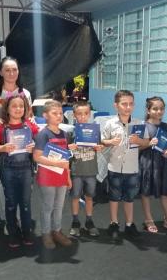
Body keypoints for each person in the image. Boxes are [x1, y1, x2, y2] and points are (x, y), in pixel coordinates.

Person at [0, 56, 33, 226]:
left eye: (15, 69)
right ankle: (8, 220)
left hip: (20, 146)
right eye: (7, 70)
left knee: (21, 185)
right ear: (0, 72)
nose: (11, 73)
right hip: (0, 145)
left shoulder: (25, 93)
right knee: (1, 181)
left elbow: (29, 116)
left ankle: (18, 218)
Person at [101, 90, 148, 241]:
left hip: (132, 167)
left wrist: (138, 141)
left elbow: (146, 142)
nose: (128, 107)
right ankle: (114, 222)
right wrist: (110, 142)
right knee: (114, 197)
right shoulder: (109, 123)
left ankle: (129, 224)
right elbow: (101, 141)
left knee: (129, 197)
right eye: (124, 104)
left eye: (131, 104)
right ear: (116, 105)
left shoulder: (139, 123)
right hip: (114, 166)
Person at [0, 95, 39, 247]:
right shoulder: (0, 126)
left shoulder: (30, 125)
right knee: (11, 203)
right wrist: (2, 148)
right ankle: (13, 233)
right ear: (7, 108)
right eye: (14, 106)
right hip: (8, 170)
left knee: (26, 203)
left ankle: (27, 232)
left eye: (21, 106)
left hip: (26, 169)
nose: (18, 109)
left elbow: (40, 141)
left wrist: (34, 145)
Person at [139, 97, 167, 234]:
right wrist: (148, 143)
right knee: (146, 192)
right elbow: (136, 148)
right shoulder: (143, 126)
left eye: (162, 109)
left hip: (162, 163)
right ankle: (148, 219)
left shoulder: (165, 126)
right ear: (148, 110)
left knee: (166, 192)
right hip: (147, 163)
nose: (159, 111)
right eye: (155, 109)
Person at [33, 100, 72, 249]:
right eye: (54, 113)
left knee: (59, 206)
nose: (58, 116)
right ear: (45, 115)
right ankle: (46, 234)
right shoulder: (43, 134)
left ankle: (57, 231)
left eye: (60, 113)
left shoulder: (64, 133)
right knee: (47, 206)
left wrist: (68, 176)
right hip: (47, 177)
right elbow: (37, 157)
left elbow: (66, 157)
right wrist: (57, 164)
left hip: (61, 176)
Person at [68, 101, 104, 237]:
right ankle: (75, 222)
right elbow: (66, 153)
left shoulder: (95, 130)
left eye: (86, 114)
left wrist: (99, 148)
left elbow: (99, 146)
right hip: (76, 171)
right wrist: (69, 148)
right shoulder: (71, 132)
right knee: (75, 197)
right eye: (79, 114)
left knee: (89, 198)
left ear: (90, 114)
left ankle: (89, 221)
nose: (83, 116)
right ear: (74, 115)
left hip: (91, 170)